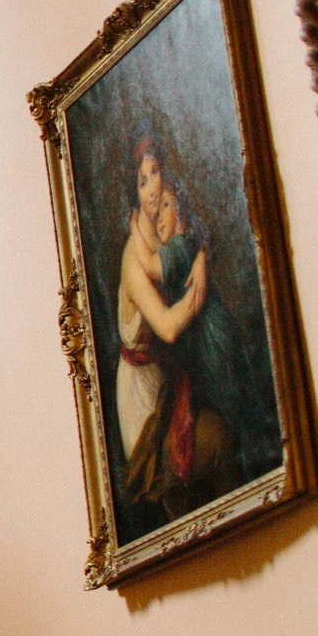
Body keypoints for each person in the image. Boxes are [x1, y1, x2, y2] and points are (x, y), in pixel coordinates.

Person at [115, 132, 263, 521]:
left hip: (177, 371)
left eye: (155, 173)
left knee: (224, 424)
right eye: (141, 181)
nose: (151, 190)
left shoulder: (171, 230)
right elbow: (166, 328)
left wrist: (202, 258)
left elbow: (188, 242)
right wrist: (199, 280)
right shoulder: (137, 253)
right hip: (144, 391)